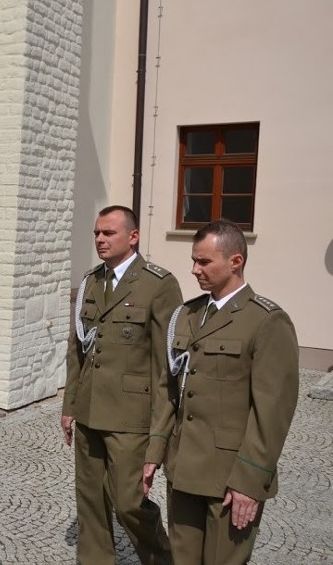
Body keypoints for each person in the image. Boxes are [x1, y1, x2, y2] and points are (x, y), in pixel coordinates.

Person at [143, 219, 299, 564]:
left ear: (236, 261)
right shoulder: (186, 314)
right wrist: (154, 453)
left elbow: (271, 413)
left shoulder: (267, 321)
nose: (194, 269)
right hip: (183, 469)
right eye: (194, 260)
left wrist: (249, 481)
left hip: (229, 479)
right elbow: (169, 389)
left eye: (204, 261)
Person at [62, 205, 181, 564]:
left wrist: (161, 432)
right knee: (91, 501)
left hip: (131, 417)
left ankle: (162, 558)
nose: (100, 239)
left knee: (130, 502)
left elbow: (168, 366)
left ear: (133, 237)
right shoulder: (91, 281)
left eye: (109, 233)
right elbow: (77, 350)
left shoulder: (159, 285)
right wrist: (70, 406)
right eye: (97, 233)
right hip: (89, 411)